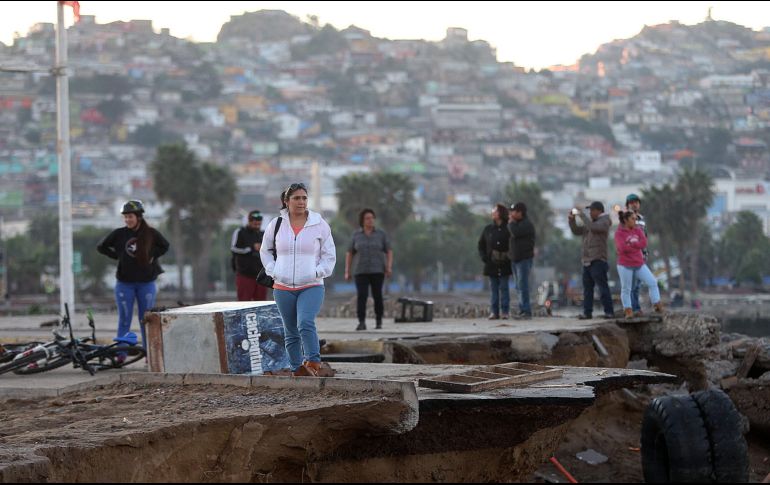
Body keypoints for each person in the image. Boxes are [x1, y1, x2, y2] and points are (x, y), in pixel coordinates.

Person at [260, 183, 336, 377]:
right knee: (291, 330)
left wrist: (317, 272)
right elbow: (265, 251)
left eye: (304, 198)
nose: (301, 202)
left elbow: (329, 255)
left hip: (311, 285)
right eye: (296, 198)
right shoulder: (276, 224)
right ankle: (297, 369)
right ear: (287, 201)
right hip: (282, 287)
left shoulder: (319, 224)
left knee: (305, 322)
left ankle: (314, 361)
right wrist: (274, 271)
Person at [97, 200, 170, 352]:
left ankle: (148, 353)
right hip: (125, 284)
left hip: (146, 284)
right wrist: (117, 256)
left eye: (130, 216)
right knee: (125, 319)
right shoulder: (119, 234)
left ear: (139, 217)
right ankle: (121, 353)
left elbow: (165, 246)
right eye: (125, 217)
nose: (127, 220)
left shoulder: (151, 233)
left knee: (146, 319)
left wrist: (152, 255)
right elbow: (101, 247)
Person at [345, 208, 393, 331]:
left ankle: (379, 320)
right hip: (360, 270)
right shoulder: (356, 235)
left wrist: (388, 267)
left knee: (378, 296)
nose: (370, 220)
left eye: (372, 218)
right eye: (367, 218)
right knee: (362, 296)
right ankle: (361, 322)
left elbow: (388, 251)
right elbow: (350, 253)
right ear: (362, 220)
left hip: (377, 270)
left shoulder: (381, 234)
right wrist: (347, 271)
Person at [568, 201, 614, 319]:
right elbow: (577, 231)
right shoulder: (590, 223)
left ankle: (609, 311)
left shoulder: (605, 221)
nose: (590, 213)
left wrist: (581, 215)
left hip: (598, 259)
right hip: (587, 260)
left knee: (602, 287)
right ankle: (587, 312)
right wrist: (572, 220)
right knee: (587, 290)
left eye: (592, 210)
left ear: (599, 211)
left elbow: (594, 228)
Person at [615, 209, 663, 318]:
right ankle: (628, 310)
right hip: (625, 265)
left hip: (639, 264)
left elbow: (644, 243)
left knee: (652, 282)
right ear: (626, 220)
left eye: (636, 219)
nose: (635, 221)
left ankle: (657, 304)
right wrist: (636, 245)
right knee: (626, 288)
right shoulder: (619, 233)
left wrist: (631, 245)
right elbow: (622, 248)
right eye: (632, 219)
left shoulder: (638, 230)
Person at [478, 204, 513, 319]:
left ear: (501, 213)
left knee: (504, 288)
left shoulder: (509, 228)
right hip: (491, 264)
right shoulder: (488, 229)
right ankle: (494, 312)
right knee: (493, 289)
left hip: (505, 263)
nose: (493, 212)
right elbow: (481, 244)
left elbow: (513, 244)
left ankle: (505, 312)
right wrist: (484, 257)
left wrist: (509, 256)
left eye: (495, 211)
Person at [230, 210, 267, 301]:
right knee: (244, 302)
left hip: (261, 276)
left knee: (261, 304)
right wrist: (251, 248)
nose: (257, 225)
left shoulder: (263, 234)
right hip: (245, 275)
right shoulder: (240, 232)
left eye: (259, 223)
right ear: (249, 221)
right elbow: (234, 248)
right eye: (255, 223)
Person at [508, 202, 536, 319]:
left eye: (513, 211)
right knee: (518, 286)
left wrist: (510, 222)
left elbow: (515, 232)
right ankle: (522, 309)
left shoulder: (526, 224)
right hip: (515, 259)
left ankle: (526, 311)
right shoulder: (515, 224)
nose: (511, 213)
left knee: (523, 286)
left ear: (520, 212)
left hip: (524, 260)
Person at [625, 194, 647, 316]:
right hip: (631, 256)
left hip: (641, 256)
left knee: (637, 284)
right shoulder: (625, 219)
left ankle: (635, 308)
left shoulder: (642, 219)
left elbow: (644, 236)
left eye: (636, 202)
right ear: (627, 205)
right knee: (632, 285)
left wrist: (645, 253)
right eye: (631, 202)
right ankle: (634, 309)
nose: (634, 205)